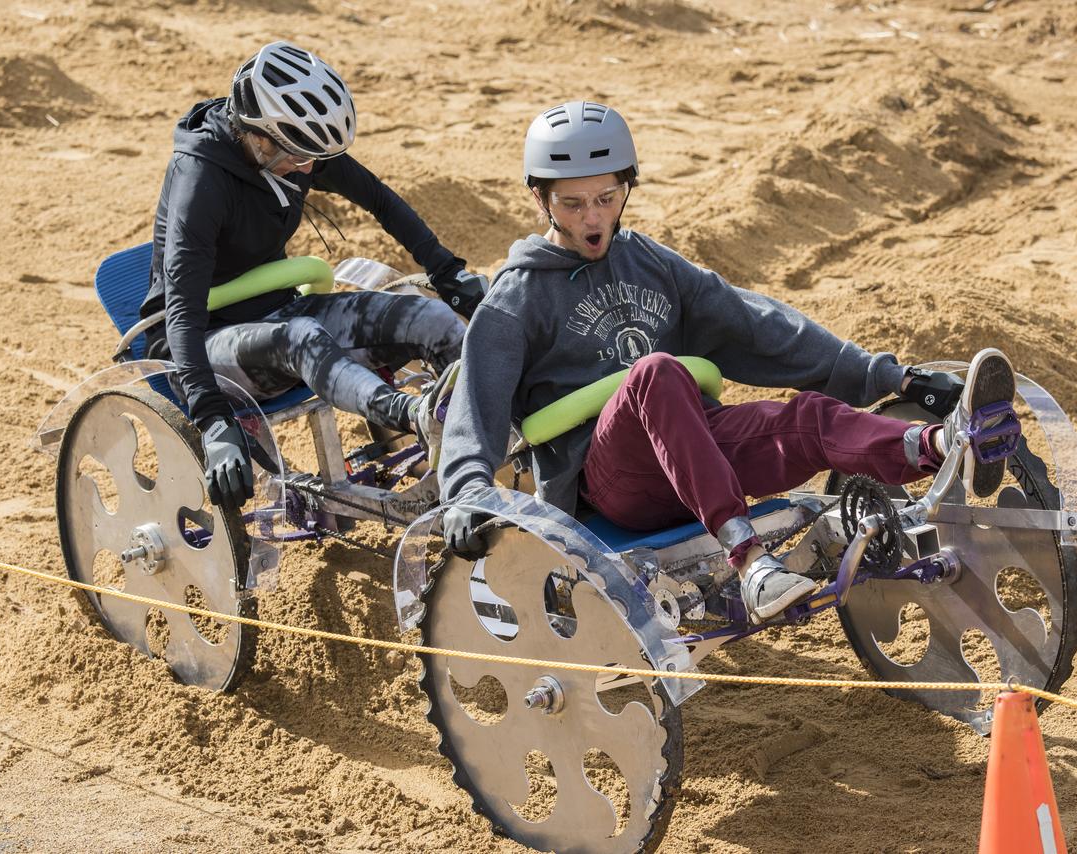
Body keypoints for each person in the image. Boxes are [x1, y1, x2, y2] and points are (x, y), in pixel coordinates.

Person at [437, 101, 1016, 623]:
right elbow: (475, 405)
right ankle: (752, 564)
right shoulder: (517, 296)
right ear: (541, 198)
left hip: (694, 450)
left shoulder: (648, 262)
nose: (592, 217)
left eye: (606, 198)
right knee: (657, 374)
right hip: (609, 478)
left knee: (810, 416)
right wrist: (465, 492)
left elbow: (756, 325)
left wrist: (891, 376)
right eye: (573, 203)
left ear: (626, 189)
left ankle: (944, 445)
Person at [140, 41, 487, 512]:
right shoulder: (200, 180)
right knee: (302, 336)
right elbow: (181, 308)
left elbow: (380, 200)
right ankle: (423, 418)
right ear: (260, 135)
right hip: (202, 342)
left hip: (277, 311)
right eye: (299, 156)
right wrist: (213, 419)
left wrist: (447, 272)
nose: (309, 169)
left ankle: (477, 448)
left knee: (431, 317)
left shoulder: (293, 147)